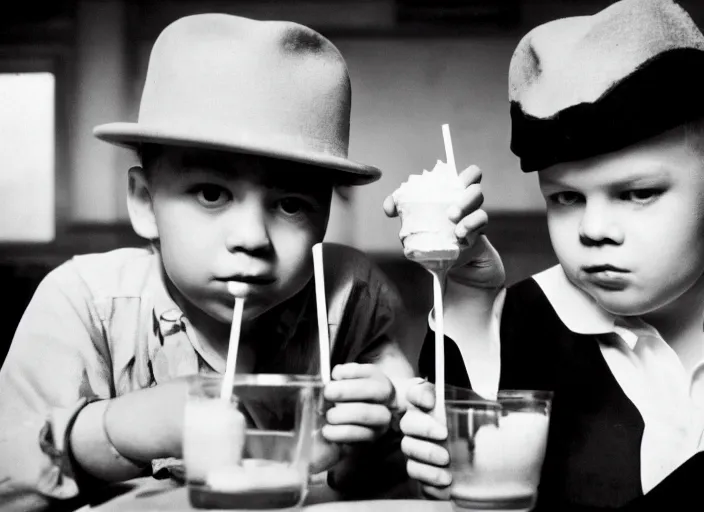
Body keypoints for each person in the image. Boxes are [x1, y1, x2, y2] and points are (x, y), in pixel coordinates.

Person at [0, 13, 425, 506]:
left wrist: (374, 451)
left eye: (291, 204)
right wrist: (117, 429)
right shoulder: (84, 302)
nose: (251, 238)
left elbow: (403, 483)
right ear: (144, 202)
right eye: (210, 193)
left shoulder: (352, 297)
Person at [387, 0, 704, 510]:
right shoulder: (520, 322)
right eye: (566, 198)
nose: (594, 230)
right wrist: (468, 300)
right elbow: (459, 465)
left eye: (638, 192)